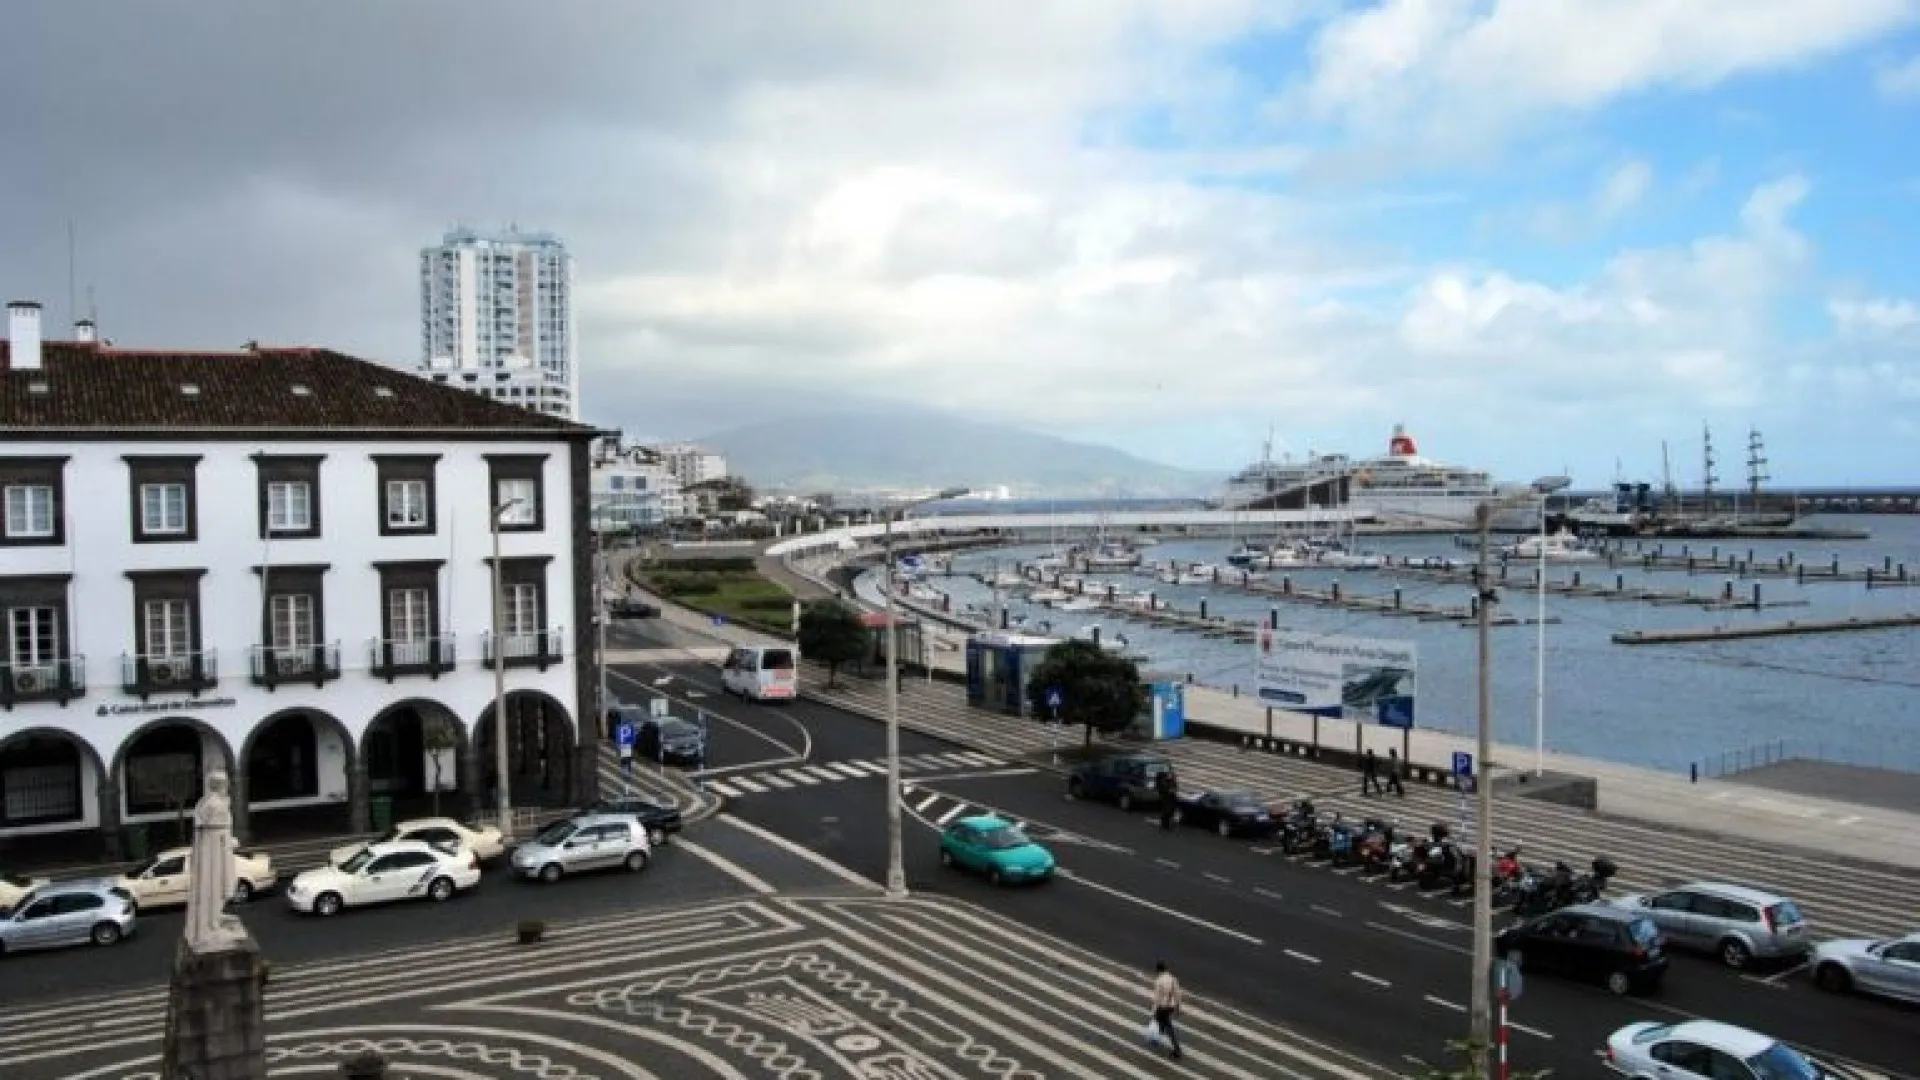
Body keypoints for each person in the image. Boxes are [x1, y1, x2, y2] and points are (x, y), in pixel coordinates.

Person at [1149, 960, 1183, 1060]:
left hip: (1162, 1006)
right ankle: (1156, 1039)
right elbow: (1178, 994)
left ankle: (1177, 1049)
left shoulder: (1159, 981)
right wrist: (1178, 1007)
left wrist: (1154, 1010)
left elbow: (1157, 998)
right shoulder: (1173, 979)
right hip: (1171, 1006)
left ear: (1158, 970)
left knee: (1166, 1025)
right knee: (1162, 1022)